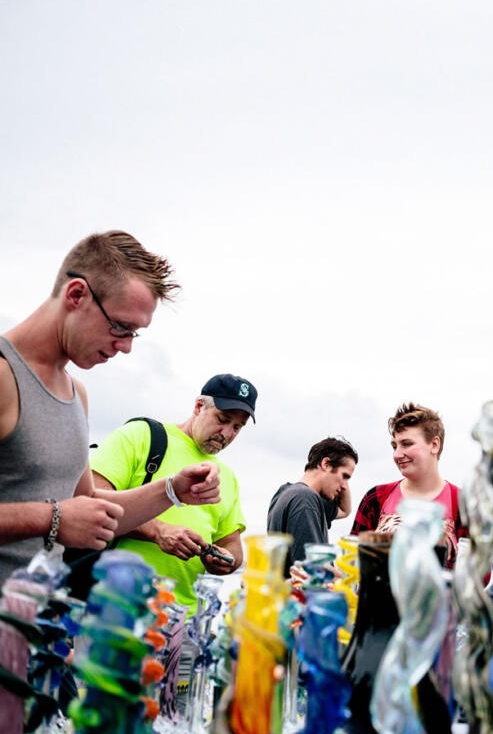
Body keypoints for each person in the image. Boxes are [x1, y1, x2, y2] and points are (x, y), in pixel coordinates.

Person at [0, 231, 222, 586]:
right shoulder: (3, 375)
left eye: (135, 333)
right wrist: (50, 519)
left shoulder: (77, 394)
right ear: (76, 295)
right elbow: (65, 516)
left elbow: (89, 508)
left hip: (37, 629)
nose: (126, 347)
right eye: (121, 326)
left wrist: (172, 491)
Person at [90, 374, 253, 611]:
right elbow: (90, 500)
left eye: (237, 427)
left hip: (186, 622)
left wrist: (226, 560)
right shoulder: (141, 435)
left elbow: (232, 544)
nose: (227, 433)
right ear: (199, 407)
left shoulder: (226, 476)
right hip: (117, 609)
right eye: (223, 419)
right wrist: (158, 531)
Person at [351, 402, 465, 568]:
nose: (397, 454)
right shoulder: (375, 498)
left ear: (434, 445)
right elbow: (353, 563)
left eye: (407, 444)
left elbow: (478, 575)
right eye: (394, 446)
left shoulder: (462, 503)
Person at [267, 436, 357, 575]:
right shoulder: (305, 500)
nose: (345, 486)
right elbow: (313, 573)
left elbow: (345, 510)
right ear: (326, 464)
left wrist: (344, 475)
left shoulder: (285, 493)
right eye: (344, 476)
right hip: (302, 595)